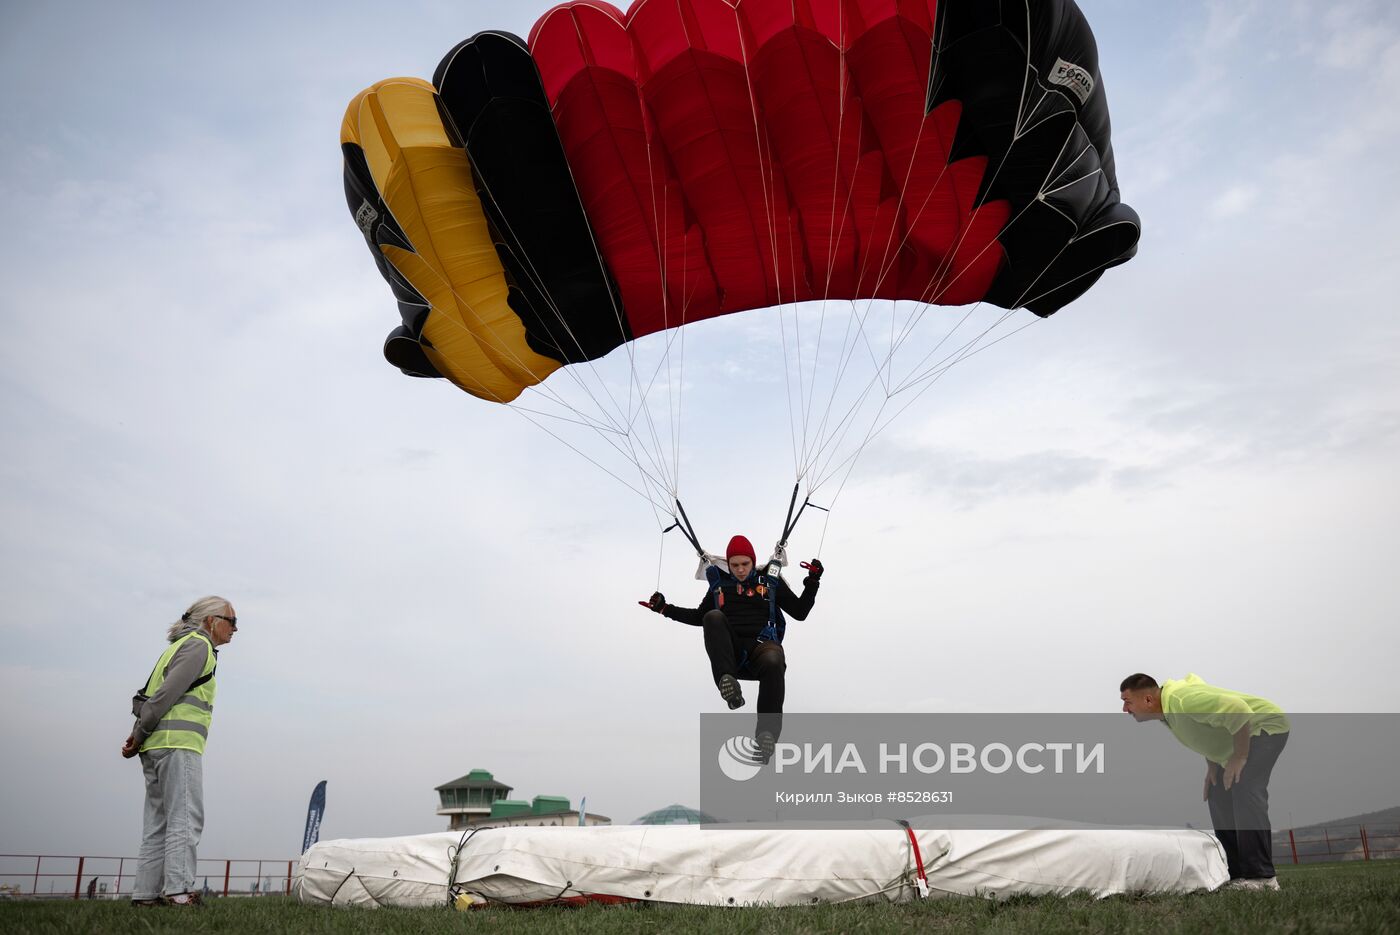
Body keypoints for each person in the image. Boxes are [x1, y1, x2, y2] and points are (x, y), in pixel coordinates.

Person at [643, 535, 822, 761]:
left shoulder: (769, 582)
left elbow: (800, 612)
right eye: (734, 565)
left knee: (774, 656)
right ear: (728, 564)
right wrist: (664, 609)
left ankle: (766, 736)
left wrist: (813, 581)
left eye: (745, 564)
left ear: (752, 561)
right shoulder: (720, 587)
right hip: (732, 656)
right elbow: (699, 617)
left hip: (761, 651)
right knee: (713, 617)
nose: (739, 570)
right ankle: (727, 685)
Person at [1119, 672, 1290, 891]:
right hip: (1234, 744)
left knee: (1245, 787)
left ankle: (1262, 878)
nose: (1125, 710)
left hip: (1265, 727)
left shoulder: (1183, 700)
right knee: (1218, 793)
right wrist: (1213, 766)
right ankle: (1237, 875)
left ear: (1148, 700)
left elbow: (1236, 709)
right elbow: (1208, 731)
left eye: (1127, 702)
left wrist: (1239, 757)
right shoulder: (1168, 713)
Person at [122, 596, 239, 907]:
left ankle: (145, 896)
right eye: (232, 621)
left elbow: (149, 695)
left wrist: (138, 737)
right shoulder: (199, 645)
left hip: (156, 746)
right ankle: (178, 892)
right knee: (185, 819)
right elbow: (165, 695)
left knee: (157, 822)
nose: (235, 629)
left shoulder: (176, 646)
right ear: (211, 621)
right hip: (177, 744)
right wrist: (139, 732)